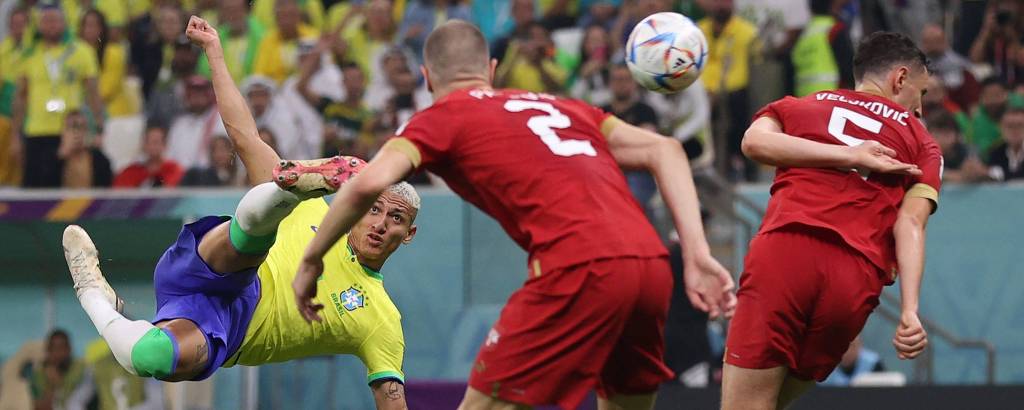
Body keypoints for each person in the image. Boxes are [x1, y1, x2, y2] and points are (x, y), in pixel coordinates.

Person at [294, 20, 735, 410]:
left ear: (427, 78)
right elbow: (666, 149)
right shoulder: (561, 107)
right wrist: (696, 254)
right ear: (491, 71)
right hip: (651, 265)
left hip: (580, 265)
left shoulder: (438, 119)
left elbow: (370, 182)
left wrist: (312, 260)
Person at [63, 16, 417, 410]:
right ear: (357, 208)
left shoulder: (382, 319)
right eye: (375, 209)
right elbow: (245, 136)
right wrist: (214, 51)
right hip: (218, 263)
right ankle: (290, 186)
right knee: (252, 241)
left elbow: (392, 399)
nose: (382, 224)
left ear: (409, 234)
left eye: (397, 220)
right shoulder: (313, 211)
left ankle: (93, 295)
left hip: (225, 325)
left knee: (147, 358)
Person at [724, 32, 941, 409]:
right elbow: (910, 224)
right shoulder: (924, 144)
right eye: (920, 96)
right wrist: (909, 309)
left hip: (786, 252)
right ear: (900, 79)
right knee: (772, 401)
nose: (919, 111)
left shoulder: (799, 106)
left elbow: (753, 144)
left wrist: (847, 154)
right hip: (856, 277)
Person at [12, 4, 104, 188]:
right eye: (46, 20)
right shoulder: (29, 54)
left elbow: (93, 93)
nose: (51, 25)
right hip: (36, 131)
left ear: (64, 23)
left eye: (55, 20)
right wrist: (15, 135)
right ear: (38, 25)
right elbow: (20, 96)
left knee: (70, 192)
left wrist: (98, 129)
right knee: (34, 190)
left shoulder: (82, 51)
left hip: (70, 132)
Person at [31, 330, 92, 410]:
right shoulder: (40, 373)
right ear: (48, 350)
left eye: (61, 348)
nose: (58, 353)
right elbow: (38, 406)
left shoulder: (81, 370)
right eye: (53, 348)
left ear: (69, 349)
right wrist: (52, 385)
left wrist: (59, 382)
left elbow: (77, 402)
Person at [113, 124, 185, 188]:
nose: (151, 147)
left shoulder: (173, 169)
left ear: (165, 145)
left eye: (155, 142)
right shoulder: (132, 171)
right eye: (148, 142)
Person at [987, 107, 1024, 182]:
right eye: (1010, 126)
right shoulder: (995, 153)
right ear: (1001, 128)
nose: (1015, 130)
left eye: (1020, 125)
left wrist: (997, 175)